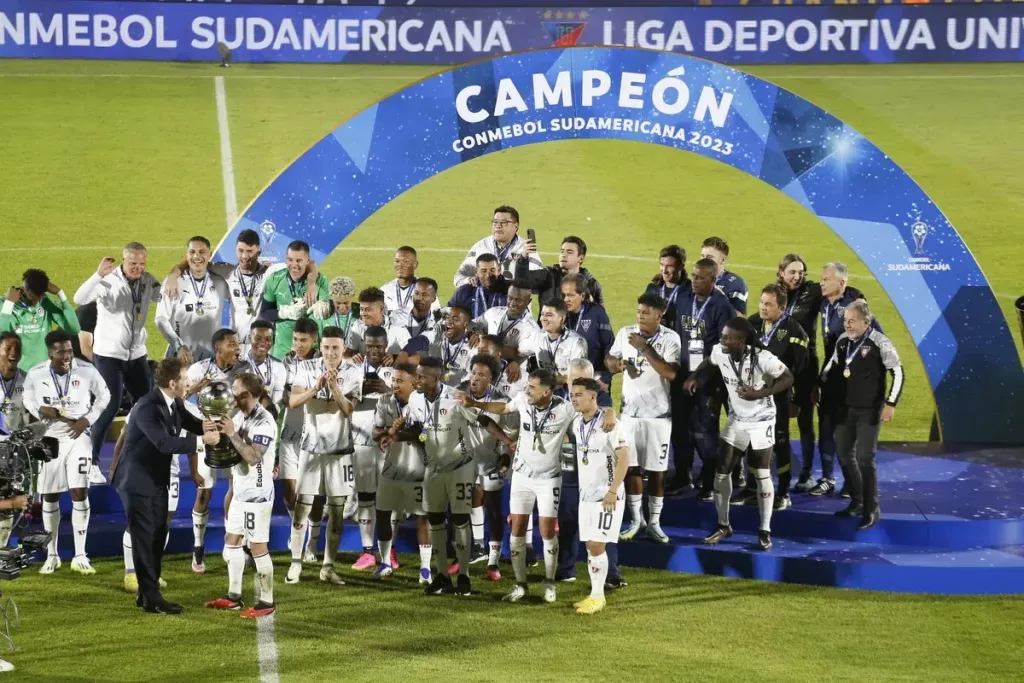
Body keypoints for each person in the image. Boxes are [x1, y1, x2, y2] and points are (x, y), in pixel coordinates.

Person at [457, 368, 613, 604]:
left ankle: (550, 583)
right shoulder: (523, 400)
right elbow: (503, 408)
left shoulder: (565, 408)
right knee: (517, 529)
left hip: (550, 477)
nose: (527, 390)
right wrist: (474, 403)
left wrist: (609, 411)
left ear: (547, 391)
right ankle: (520, 585)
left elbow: (592, 411)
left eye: (532, 387)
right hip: (522, 475)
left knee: (547, 531)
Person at [111, 357, 219, 614]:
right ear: (173, 383)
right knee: (144, 538)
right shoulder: (148, 407)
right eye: (185, 379)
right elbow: (164, 443)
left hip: (156, 480)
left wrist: (216, 424)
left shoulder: (174, 402)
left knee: (157, 535)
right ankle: (151, 597)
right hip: (136, 482)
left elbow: (193, 424)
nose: (189, 382)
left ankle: (146, 592)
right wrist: (203, 441)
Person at [685, 317, 794, 550]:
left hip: (762, 420)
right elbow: (708, 362)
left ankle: (765, 530)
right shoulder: (720, 351)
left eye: (727, 337)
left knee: (761, 473)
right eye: (722, 335)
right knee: (721, 472)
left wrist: (762, 392)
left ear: (741, 341)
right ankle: (723, 525)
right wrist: (695, 377)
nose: (722, 340)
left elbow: (787, 378)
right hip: (737, 419)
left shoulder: (763, 358)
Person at [23, 330, 110, 575]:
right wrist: (40, 408)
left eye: (70, 350)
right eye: (61, 351)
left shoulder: (86, 370)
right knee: (49, 495)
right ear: (50, 353)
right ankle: (53, 554)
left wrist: (88, 419)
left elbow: (105, 395)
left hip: (77, 435)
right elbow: (28, 396)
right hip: (49, 438)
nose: (67, 356)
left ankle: (81, 554)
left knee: (79, 491)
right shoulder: (36, 373)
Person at [73, 244, 162, 483]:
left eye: (142, 263)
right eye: (133, 263)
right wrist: (97, 275)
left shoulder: (148, 280)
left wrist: (174, 278)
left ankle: (148, 457)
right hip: (109, 355)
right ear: (124, 260)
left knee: (149, 404)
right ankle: (91, 462)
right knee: (108, 406)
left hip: (136, 355)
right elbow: (79, 298)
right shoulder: (107, 281)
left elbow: (163, 294)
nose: (138, 268)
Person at [285, 326, 361, 586]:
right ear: (321, 347)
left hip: (340, 452)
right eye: (327, 347)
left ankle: (328, 566)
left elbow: (349, 410)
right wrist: (316, 388)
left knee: (337, 512)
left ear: (343, 348)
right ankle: (296, 563)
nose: (330, 353)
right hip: (311, 449)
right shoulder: (306, 368)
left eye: (335, 348)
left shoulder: (353, 371)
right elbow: (293, 402)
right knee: (301, 508)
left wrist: (335, 389)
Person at [818, 301, 904, 530]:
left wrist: (890, 403)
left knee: (866, 458)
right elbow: (832, 367)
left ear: (866, 322)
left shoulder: (880, 342)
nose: (847, 324)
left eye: (852, 321)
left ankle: (871, 508)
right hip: (845, 409)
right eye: (846, 320)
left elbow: (898, 371)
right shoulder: (843, 341)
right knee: (845, 454)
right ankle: (856, 501)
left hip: (869, 410)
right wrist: (820, 385)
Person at [606, 293, 681, 544]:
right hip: (630, 414)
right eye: (638, 311)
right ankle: (636, 520)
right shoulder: (626, 333)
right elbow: (609, 359)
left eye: (646, 312)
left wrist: (644, 348)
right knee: (631, 468)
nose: (640, 316)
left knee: (657, 470)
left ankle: (655, 522)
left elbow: (670, 373)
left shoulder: (671, 338)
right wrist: (617, 365)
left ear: (659, 315)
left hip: (658, 415)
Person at [205, 373, 279, 618]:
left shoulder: (264, 421)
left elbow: (253, 456)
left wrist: (233, 433)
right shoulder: (239, 415)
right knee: (232, 539)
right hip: (240, 491)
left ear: (246, 394)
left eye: (234, 389)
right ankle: (233, 596)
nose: (230, 393)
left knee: (257, 546)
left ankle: (267, 601)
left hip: (257, 494)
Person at [730, 285, 809, 509]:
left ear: (782, 308)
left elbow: (802, 371)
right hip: (751, 398)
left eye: (768, 304)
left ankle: (783, 492)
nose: (763, 308)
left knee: (779, 444)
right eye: (761, 303)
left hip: (779, 400)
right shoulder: (752, 324)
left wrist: (797, 401)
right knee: (752, 443)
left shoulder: (795, 332)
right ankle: (752, 488)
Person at [184, 328, 251, 574]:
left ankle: (230, 542)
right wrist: (194, 390)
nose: (237, 348)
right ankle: (198, 545)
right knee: (204, 492)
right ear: (217, 349)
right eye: (232, 344)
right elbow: (179, 399)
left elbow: (249, 403)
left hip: (233, 436)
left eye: (238, 344)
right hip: (208, 437)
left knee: (236, 489)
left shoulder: (245, 370)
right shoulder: (198, 370)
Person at [810, 261, 879, 497]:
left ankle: (852, 482)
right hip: (831, 377)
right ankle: (828, 478)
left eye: (826, 278)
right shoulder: (822, 303)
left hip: (851, 382)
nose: (822, 281)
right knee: (826, 426)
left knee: (849, 432)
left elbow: (877, 337)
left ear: (841, 282)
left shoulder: (855, 305)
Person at [556, 359, 626, 589]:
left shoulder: (597, 398)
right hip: (571, 468)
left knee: (602, 530)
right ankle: (566, 570)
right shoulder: (561, 399)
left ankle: (611, 574)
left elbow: (605, 412)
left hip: (597, 473)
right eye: (571, 380)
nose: (574, 388)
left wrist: (610, 413)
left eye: (579, 381)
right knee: (570, 521)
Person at [673, 258, 734, 498]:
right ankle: (682, 477)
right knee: (680, 430)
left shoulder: (722, 306)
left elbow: (723, 350)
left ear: (713, 279)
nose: (695, 281)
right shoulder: (684, 297)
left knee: (704, 433)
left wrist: (700, 376)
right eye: (693, 276)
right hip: (682, 376)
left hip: (708, 381)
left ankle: (709, 483)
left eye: (700, 277)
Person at [568, 377, 630, 615]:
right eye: (572, 395)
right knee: (590, 546)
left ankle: (598, 597)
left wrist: (613, 490)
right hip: (587, 494)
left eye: (579, 394)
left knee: (596, 544)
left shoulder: (610, 424)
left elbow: (624, 458)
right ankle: (594, 595)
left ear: (593, 396)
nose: (574, 399)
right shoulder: (577, 423)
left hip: (607, 495)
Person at [415, 357, 475, 596]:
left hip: (460, 466)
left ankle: (464, 576)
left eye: (422, 376)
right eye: (417, 375)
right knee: (435, 518)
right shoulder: (415, 398)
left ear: (437, 378)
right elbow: (417, 428)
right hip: (433, 468)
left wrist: (506, 443)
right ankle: (441, 575)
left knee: (460, 519)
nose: (417, 380)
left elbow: (479, 420)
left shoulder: (456, 398)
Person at [372, 363, 433, 585]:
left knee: (422, 518)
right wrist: (389, 431)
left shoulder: (424, 403)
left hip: (418, 469)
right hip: (391, 468)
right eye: (393, 380)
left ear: (413, 383)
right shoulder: (384, 401)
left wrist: (401, 432)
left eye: (400, 381)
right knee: (382, 513)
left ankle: (425, 569)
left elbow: (426, 436)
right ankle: (386, 561)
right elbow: (375, 433)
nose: (394, 385)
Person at [456, 354, 512, 581]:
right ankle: (478, 547)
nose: (475, 379)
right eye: (473, 373)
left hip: (492, 460)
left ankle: (493, 561)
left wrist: (506, 457)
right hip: (468, 459)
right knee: (471, 500)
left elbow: (511, 433)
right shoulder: (460, 395)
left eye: (482, 375)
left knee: (494, 510)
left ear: (492, 379)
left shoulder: (502, 402)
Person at [110, 406, 175, 594]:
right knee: (138, 520)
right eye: (184, 381)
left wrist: (194, 472)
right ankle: (131, 573)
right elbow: (123, 436)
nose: (187, 386)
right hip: (143, 468)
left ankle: (151, 571)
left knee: (164, 521)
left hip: (172, 470)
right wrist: (115, 465)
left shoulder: (187, 409)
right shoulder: (143, 406)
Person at [348, 327, 397, 572]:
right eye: (370, 346)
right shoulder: (353, 369)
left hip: (389, 442)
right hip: (361, 441)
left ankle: (389, 551)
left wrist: (386, 390)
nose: (374, 350)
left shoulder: (394, 371)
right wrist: (360, 391)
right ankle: (367, 551)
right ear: (363, 345)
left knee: (390, 499)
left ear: (386, 345)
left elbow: (407, 398)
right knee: (365, 496)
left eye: (379, 346)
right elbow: (344, 403)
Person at [155, 236, 231, 363]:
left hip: (212, 357)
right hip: (182, 355)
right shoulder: (173, 283)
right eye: (192, 252)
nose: (196, 256)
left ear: (209, 254)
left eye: (202, 252)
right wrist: (178, 345)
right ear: (186, 255)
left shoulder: (220, 281)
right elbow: (160, 319)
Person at [260, 240, 330, 360]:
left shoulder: (320, 282)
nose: (294, 265)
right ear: (286, 258)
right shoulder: (274, 279)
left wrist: (324, 307)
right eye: (290, 260)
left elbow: (330, 310)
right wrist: (283, 313)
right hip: (281, 353)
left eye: (299, 260)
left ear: (307, 261)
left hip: (312, 355)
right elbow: (265, 312)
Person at [0, 269, 80, 371]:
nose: (35, 302)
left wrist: (61, 294)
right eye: (32, 299)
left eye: (39, 298)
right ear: (24, 289)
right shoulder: (5, 304)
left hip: (43, 371)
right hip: (17, 372)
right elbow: (2, 333)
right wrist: (9, 303)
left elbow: (74, 328)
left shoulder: (45, 302)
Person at [454, 205, 544, 288]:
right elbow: (458, 278)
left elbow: (539, 282)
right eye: (495, 222)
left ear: (516, 226)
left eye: (504, 222)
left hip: (515, 302)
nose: (498, 226)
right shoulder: (480, 247)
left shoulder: (526, 249)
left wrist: (522, 261)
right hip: (484, 302)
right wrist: (468, 281)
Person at [518, 298, 588, 394]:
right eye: (542, 314)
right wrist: (513, 362)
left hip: (568, 394)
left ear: (562, 318)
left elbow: (578, 377)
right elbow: (518, 351)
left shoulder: (576, 342)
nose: (543, 318)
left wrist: (548, 380)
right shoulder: (538, 337)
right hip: (545, 393)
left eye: (549, 315)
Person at [514, 235, 604, 307]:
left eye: (569, 252)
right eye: (562, 251)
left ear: (581, 258)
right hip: (547, 329)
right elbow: (522, 282)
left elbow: (600, 317)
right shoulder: (548, 275)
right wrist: (523, 258)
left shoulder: (592, 284)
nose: (563, 255)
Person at [561, 275, 614, 389]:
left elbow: (610, 346)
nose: (566, 299)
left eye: (570, 295)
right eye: (564, 295)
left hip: (593, 381)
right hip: (567, 382)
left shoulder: (596, 313)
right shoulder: (560, 314)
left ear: (582, 295)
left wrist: (605, 378)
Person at [405, 304, 474, 388]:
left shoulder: (472, 347)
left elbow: (471, 378)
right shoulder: (437, 336)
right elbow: (417, 355)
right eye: (448, 317)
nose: (450, 321)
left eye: (455, 319)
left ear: (466, 325)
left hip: (457, 393)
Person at [0, 333, 27, 548]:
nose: (13, 353)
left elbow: (32, 416)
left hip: (14, 449)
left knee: (12, 495)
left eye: (17, 348)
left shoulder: (27, 380)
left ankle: (2, 544)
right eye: (8, 348)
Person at [345, 287, 412, 359]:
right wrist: (352, 359)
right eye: (361, 309)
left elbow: (413, 357)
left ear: (381, 309)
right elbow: (345, 356)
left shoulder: (398, 328)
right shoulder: (358, 327)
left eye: (368, 309)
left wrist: (395, 357)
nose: (363, 314)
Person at [382, 247, 440, 327]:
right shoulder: (385, 290)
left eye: (406, 261)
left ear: (415, 264)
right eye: (397, 261)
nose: (400, 265)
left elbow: (437, 318)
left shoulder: (426, 289)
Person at [448, 253, 509, 318]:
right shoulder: (464, 292)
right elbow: (450, 314)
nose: (488, 275)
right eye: (484, 271)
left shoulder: (510, 290)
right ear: (476, 271)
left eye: (492, 270)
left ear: (499, 270)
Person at [644, 245, 689, 331]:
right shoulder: (653, 288)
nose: (664, 270)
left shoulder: (690, 291)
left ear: (681, 266)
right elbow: (643, 315)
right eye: (662, 265)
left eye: (669, 266)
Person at [701, 237, 748, 316]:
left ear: (723, 260)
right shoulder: (696, 280)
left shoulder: (736, 283)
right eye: (702, 256)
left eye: (709, 257)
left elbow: (738, 318)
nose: (704, 261)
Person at [311, 276, 359, 342]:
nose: (342, 307)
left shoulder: (360, 315)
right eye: (338, 303)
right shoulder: (322, 313)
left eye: (346, 303)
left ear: (353, 296)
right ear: (331, 297)